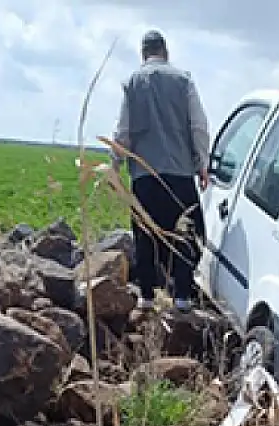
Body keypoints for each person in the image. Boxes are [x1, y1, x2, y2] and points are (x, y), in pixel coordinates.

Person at [113, 30, 209, 312]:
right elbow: (198, 126)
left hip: (144, 177)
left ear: (143, 53)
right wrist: (201, 163)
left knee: (144, 235)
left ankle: (146, 296)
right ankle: (182, 297)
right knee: (185, 235)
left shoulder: (132, 83)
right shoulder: (184, 81)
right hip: (180, 175)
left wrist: (115, 166)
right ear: (165, 51)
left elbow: (123, 132)